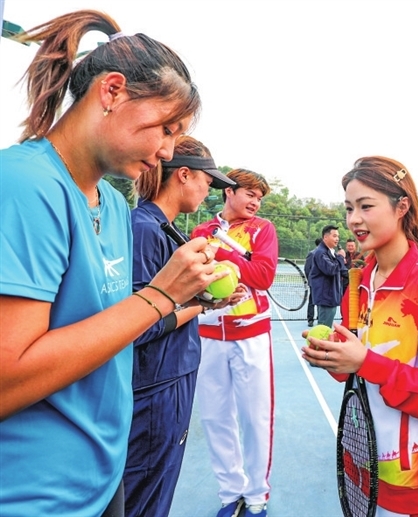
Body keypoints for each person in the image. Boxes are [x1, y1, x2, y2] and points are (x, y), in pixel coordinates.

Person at [0, 10, 222, 515]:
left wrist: (186, 293)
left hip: (103, 478)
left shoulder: (116, 207)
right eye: (165, 128)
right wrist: (161, 295)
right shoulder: (23, 185)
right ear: (112, 91)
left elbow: (107, 330)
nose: (167, 151)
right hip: (34, 495)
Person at [302, 156, 418, 517]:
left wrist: (366, 362)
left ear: (401, 207)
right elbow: (353, 371)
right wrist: (333, 357)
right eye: (348, 208)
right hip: (361, 461)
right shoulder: (360, 282)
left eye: (365, 206)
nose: (353, 219)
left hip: (409, 475)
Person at [125, 137, 238, 517]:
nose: (210, 191)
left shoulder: (167, 230)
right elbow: (139, 324)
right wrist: (200, 303)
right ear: (184, 174)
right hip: (156, 386)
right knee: (144, 498)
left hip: (172, 377)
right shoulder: (144, 229)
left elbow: (164, 306)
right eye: (208, 180)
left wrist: (206, 301)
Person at [192, 170, 278, 517]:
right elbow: (195, 279)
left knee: (255, 417)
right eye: (249, 194)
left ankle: (257, 494)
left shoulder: (263, 230)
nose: (255, 202)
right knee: (215, 418)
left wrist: (223, 255)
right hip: (209, 334)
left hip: (251, 334)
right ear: (229, 192)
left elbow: (263, 275)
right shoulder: (201, 231)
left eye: (260, 197)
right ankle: (230, 491)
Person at [308, 225, 347, 328]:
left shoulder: (329, 252)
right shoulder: (321, 253)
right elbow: (331, 270)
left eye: (338, 236)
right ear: (325, 237)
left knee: (325, 328)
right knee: (324, 330)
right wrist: (341, 257)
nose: (337, 239)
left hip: (330, 297)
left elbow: (340, 270)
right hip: (326, 298)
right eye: (334, 236)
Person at [305, 238, 322, 326]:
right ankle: (310, 320)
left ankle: (320, 318)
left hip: (322, 283)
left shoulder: (325, 253)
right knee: (312, 301)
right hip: (314, 282)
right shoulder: (312, 254)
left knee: (321, 301)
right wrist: (311, 280)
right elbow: (307, 269)